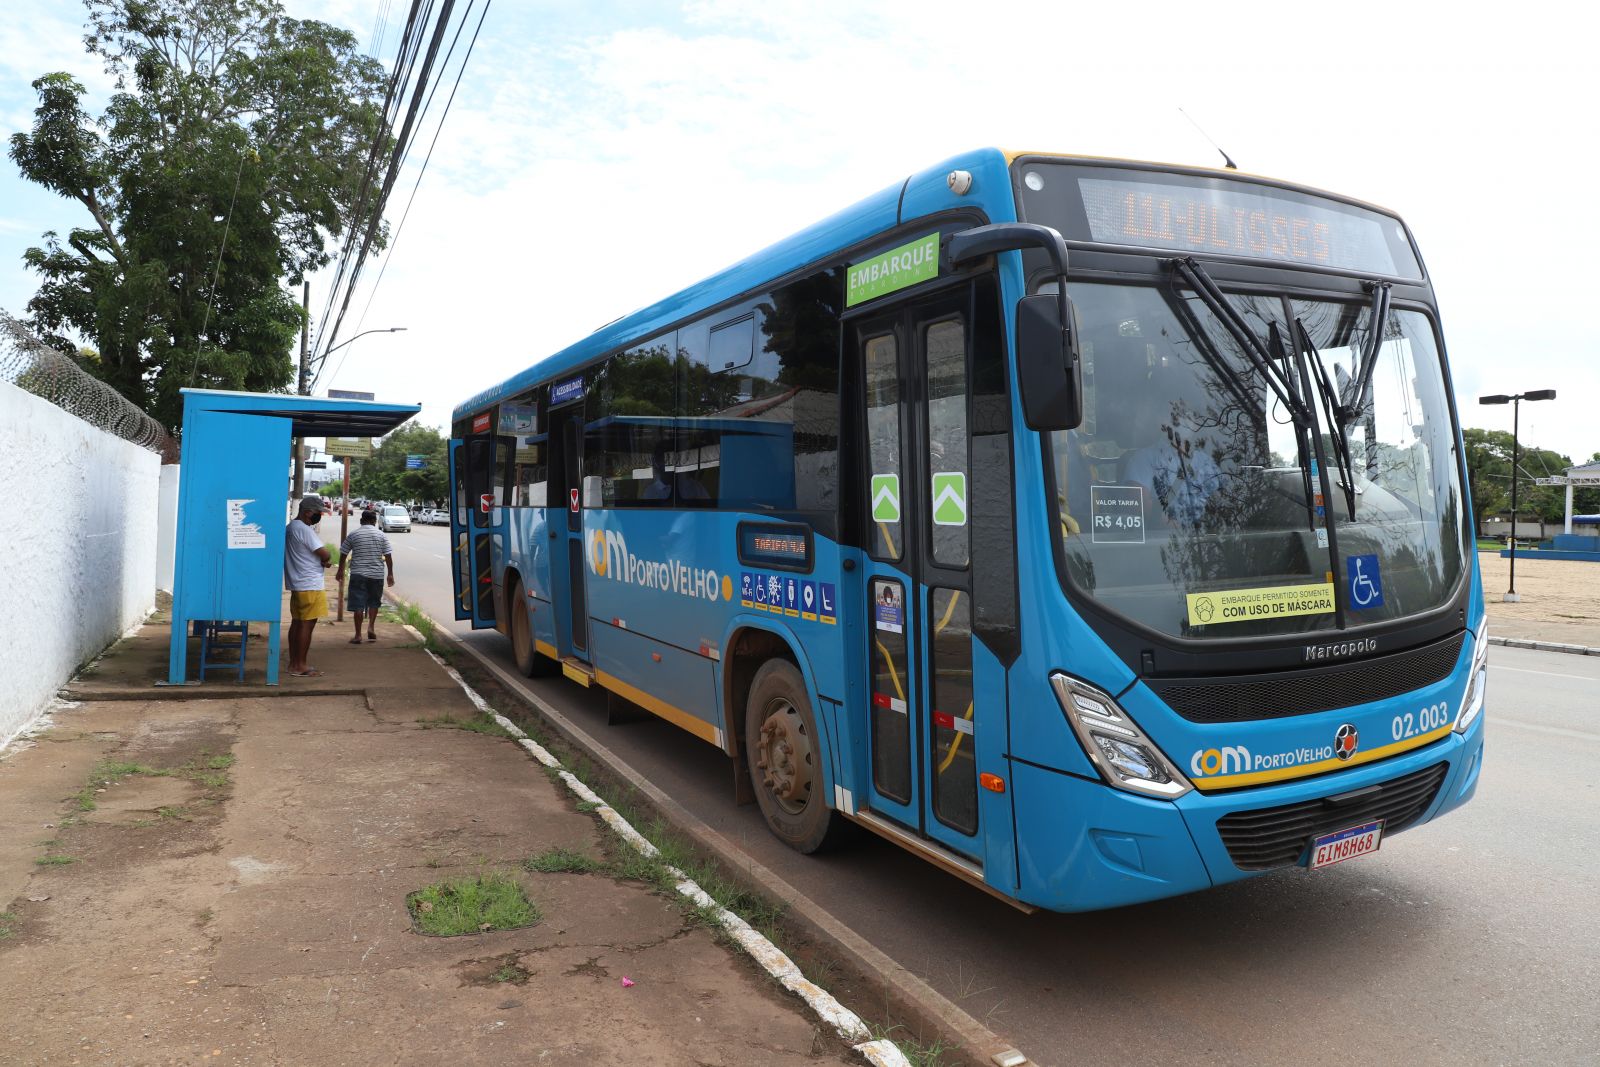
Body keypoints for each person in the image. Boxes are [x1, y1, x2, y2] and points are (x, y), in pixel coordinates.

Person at [284, 497, 332, 676]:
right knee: (307, 625)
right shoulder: (304, 529)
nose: (319, 516)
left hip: (298, 582)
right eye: (318, 513)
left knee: (297, 623)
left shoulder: (290, 528)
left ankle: (294, 663)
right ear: (307, 512)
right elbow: (324, 552)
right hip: (309, 583)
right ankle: (300, 666)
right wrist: (326, 560)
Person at [336, 509, 395, 643]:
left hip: (358, 574)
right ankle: (371, 628)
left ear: (362, 520)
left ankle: (358, 635)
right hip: (376, 575)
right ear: (374, 522)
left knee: (358, 604)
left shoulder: (354, 534)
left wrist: (340, 570)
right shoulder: (381, 535)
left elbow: (344, 553)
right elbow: (388, 556)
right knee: (374, 602)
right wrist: (390, 574)